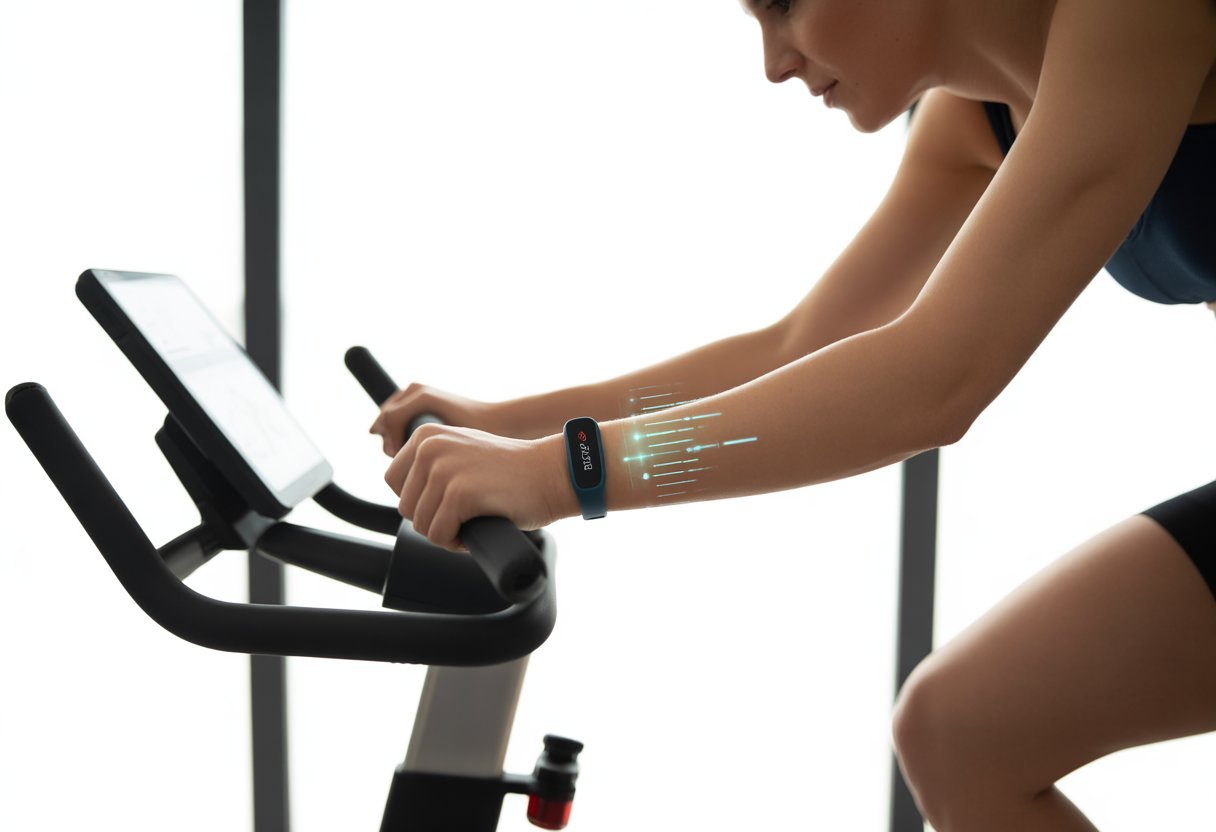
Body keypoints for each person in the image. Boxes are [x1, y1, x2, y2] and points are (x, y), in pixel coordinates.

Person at [373, 1, 1216, 828]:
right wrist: (511, 425)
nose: (775, 61)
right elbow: (800, 349)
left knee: (960, 728)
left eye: (783, 5)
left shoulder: (1137, 13)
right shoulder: (974, 123)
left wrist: (564, 474)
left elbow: (933, 382)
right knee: (958, 735)